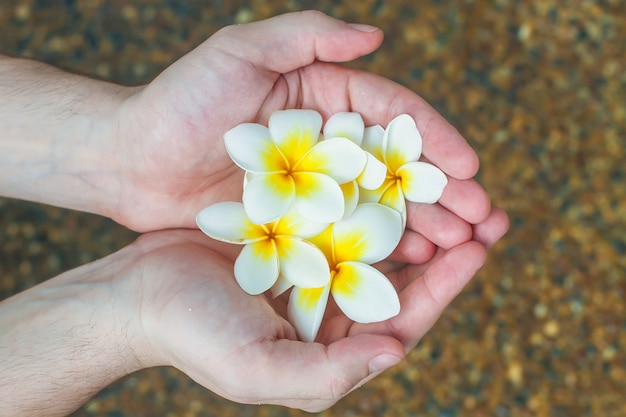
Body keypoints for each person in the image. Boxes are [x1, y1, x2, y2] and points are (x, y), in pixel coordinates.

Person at [0, 10, 509, 416]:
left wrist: (120, 147)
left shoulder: (309, 221)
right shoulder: (293, 219)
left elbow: (325, 210)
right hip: (296, 213)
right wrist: (131, 312)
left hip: (307, 210)